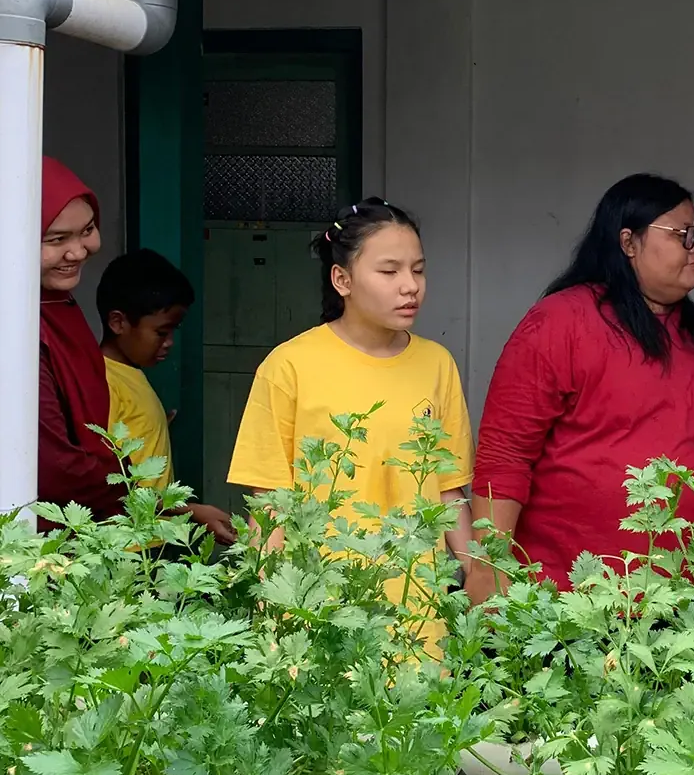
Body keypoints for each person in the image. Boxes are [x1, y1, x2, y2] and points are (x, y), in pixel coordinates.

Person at [467, 174, 694, 600]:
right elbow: (506, 454)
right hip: (569, 597)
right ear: (629, 242)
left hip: (682, 598)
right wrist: (490, 565)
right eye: (682, 235)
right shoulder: (560, 322)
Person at [227, 198, 474, 598]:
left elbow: (447, 490)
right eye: (389, 271)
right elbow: (270, 501)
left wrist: (481, 576)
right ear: (342, 280)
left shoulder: (437, 364)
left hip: (416, 604)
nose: (410, 285)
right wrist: (270, 607)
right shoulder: (289, 366)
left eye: (418, 270)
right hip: (317, 607)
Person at [97, 249, 235, 543]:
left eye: (174, 330)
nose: (170, 342)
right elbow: (107, 485)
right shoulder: (104, 382)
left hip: (146, 542)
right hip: (124, 548)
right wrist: (192, 511)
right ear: (118, 322)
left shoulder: (129, 374)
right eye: (161, 332)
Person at [37, 157, 119, 519]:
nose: (79, 251)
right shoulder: (15, 328)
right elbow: (54, 468)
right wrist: (151, 502)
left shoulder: (56, 304)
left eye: (87, 230)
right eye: (56, 239)